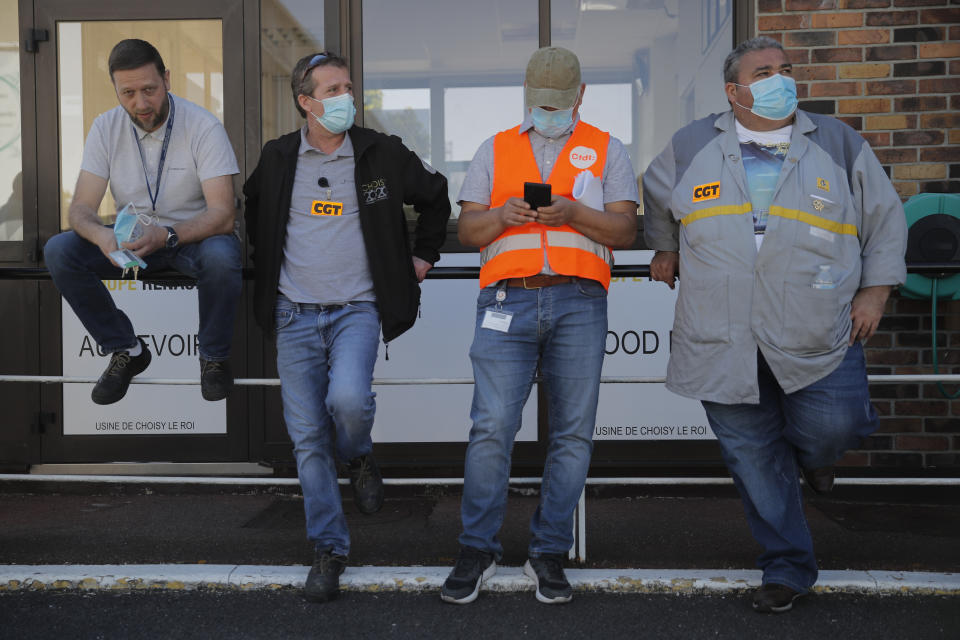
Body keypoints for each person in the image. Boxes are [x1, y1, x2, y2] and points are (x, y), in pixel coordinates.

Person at [643, 36, 907, 613]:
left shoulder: (837, 142)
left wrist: (876, 292)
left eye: (786, 68)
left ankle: (814, 461)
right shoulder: (692, 144)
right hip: (723, 335)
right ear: (733, 90)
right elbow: (656, 195)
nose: (779, 78)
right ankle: (786, 569)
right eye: (763, 71)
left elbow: (884, 218)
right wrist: (664, 248)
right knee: (755, 462)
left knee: (834, 426)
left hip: (819, 326)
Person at [243, 52, 450, 604]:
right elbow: (253, 212)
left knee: (350, 402)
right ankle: (328, 549)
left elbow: (435, 197)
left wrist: (424, 256)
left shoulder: (381, 152)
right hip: (294, 314)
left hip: (357, 309)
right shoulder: (279, 156)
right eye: (331, 90)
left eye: (348, 87)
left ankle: (358, 455)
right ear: (305, 102)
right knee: (308, 439)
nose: (345, 98)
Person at [441, 46, 638, 606]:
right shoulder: (495, 147)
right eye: (539, 103)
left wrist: (576, 214)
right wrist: (501, 215)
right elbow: (469, 230)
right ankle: (476, 549)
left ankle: (548, 552)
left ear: (580, 95)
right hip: (508, 299)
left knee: (572, 433)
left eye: (558, 103)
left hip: (579, 300)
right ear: (527, 96)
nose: (548, 112)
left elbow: (624, 232)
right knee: (492, 428)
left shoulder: (607, 148)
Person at [45, 39, 241, 404]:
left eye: (149, 89)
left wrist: (166, 234)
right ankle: (126, 350)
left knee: (221, 256)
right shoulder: (105, 127)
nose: (141, 103)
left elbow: (223, 214)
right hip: (132, 241)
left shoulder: (203, 126)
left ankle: (213, 359)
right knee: (59, 250)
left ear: (167, 79)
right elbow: (81, 209)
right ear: (116, 91)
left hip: (189, 239)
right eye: (128, 93)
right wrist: (101, 236)